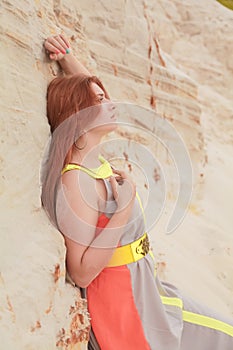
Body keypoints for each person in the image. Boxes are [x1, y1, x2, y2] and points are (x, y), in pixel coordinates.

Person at [42, 34, 233, 350]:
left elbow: (88, 97)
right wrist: (123, 207)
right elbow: (81, 272)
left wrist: (68, 58)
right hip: (126, 306)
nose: (111, 104)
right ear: (80, 115)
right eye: (100, 101)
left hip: (145, 287)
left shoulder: (93, 160)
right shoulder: (76, 182)